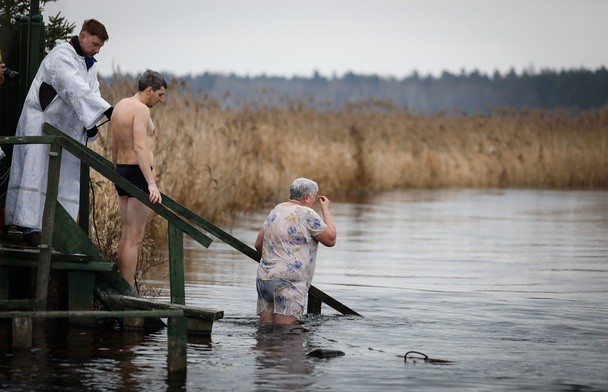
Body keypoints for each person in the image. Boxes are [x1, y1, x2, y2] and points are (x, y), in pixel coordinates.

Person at [4, 19, 113, 246]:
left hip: (64, 130)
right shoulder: (61, 55)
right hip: (41, 124)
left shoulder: (89, 64)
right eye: (94, 44)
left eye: (100, 47)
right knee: (37, 173)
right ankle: (29, 228)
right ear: (82, 36)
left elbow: (92, 91)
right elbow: (73, 87)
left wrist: (92, 121)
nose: (97, 50)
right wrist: (106, 110)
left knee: (61, 178)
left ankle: (56, 229)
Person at [110, 70, 166, 288]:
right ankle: (128, 288)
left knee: (126, 234)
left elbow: (113, 146)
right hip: (138, 173)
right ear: (149, 90)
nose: (161, 100)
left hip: (122, 171)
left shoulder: (120, 106)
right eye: (160, 95)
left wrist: (117, 173)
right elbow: (140, 146)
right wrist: (151, 183)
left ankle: (122, 284)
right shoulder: (141, 110)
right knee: (135, 237)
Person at [254, 177, 337, 324]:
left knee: (264, 336)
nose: (314, 203)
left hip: (264, 279)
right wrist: (325, 210)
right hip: (289, 283)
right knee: (287, 338)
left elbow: (258, 244)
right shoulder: (306, 213)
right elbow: (330, 240)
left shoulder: (276, 210)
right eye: (314, 198)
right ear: (306, 197)